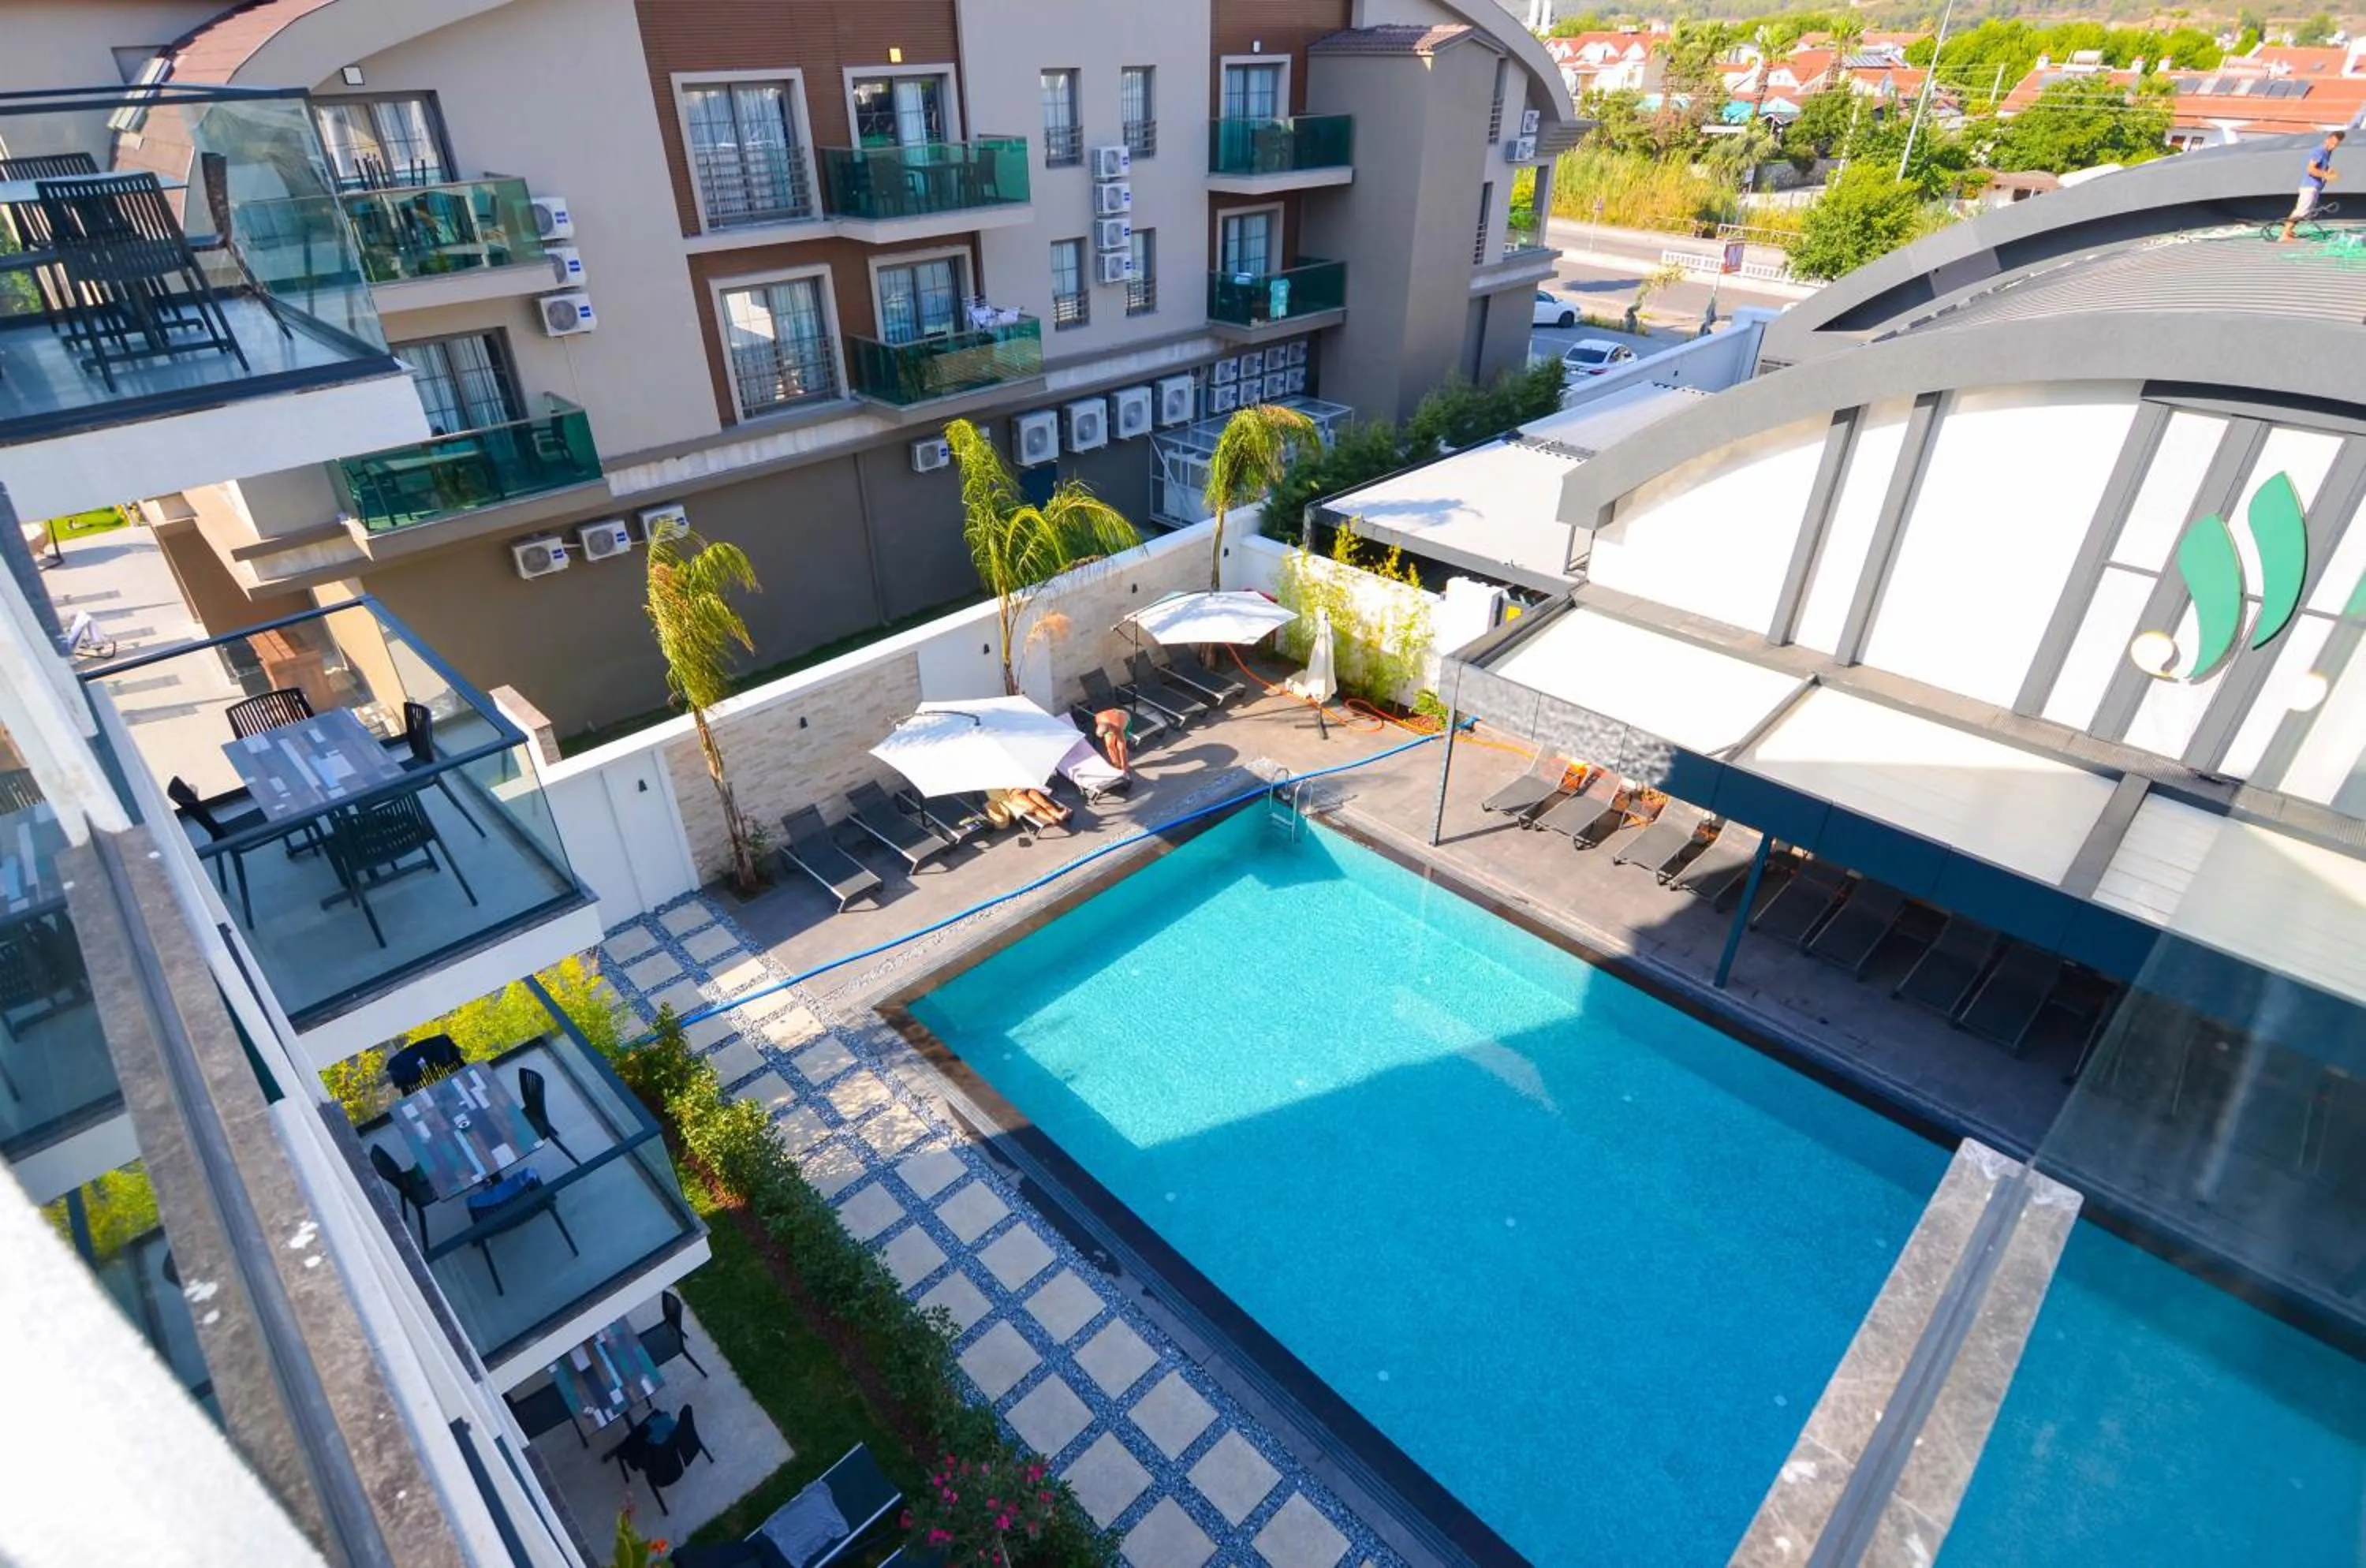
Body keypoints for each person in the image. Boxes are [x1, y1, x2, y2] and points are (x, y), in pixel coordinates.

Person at [2283, 129, 2343, 242]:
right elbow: (2311, 170)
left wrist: (2329, 171)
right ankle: (2284, 234)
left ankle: (2289, 231)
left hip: (2314, 186)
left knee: (2304, 211)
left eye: (2336, 145)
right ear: (2327, 140)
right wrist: (2326, 175)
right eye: (2332, 143)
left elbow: (2322, 167)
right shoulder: (2319, 151)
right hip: (2309, 187)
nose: (2333, 147)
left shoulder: (2327, 152)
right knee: (2301, 211)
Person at [987, 786, 1069, 831]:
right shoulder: (991, 786)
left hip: (1026, 789)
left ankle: (1058, 814)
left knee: (1042, 802)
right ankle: (1051, 819)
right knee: (1034, 807)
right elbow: (1000, 798)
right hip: (1014, 795)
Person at [1093, 707, 1132, 773]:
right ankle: (1116, 763)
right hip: (1112, 718)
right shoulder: (1098, 717)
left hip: (1124, 718)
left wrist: (1124, 765)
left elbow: (1122, 748)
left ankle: (1124, 766)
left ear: (1109, 729)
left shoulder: (1118, 728)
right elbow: (1104, 731)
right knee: (1109, 744)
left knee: (1121, 747)